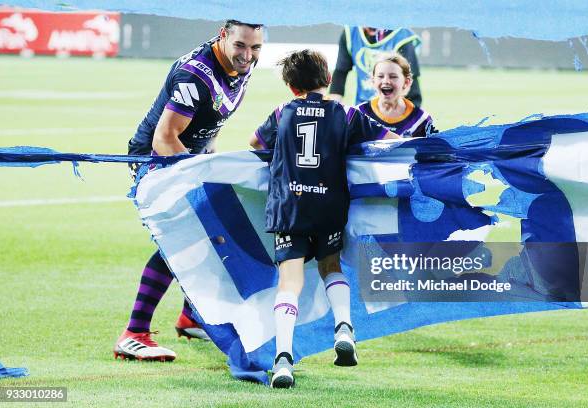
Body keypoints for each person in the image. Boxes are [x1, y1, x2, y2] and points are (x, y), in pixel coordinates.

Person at [249, 49, 401, 388]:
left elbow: (255, 143)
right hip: (329, 207)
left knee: (289, 282)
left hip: (290, 207)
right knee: (331, 267)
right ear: (329, 79)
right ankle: (344, 327)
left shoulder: (281, 112)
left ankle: (283, 359)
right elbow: (390, 142)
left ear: (290, 86)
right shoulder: (345, 113)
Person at [114, 20, 264, 362]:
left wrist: (208, 164)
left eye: (256, 48)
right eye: (241, 46)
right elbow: (164, 138)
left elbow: (209, 125)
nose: (248, 55)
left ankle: (191, 317)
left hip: (191, 158)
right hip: (156, 159)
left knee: (215, 233)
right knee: (182, 239)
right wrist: (198, 177)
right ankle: (133, 333)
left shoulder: (242, 65)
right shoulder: (195, 76)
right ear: (223, 36)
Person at [329, 26, 422, 106]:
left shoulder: (401, 37)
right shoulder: (350, 33)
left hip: (393, 111)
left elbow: (412, 86)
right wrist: (333, 110)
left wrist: (410, 119)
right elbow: (340, 73)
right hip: (363, 109)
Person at [357, 53, 436, 138]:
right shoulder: (359, 114)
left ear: (406, 82)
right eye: (380, 76)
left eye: (393, 76)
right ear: (373, 81)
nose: (386, 81)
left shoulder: (420, 120)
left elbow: (432, 149)